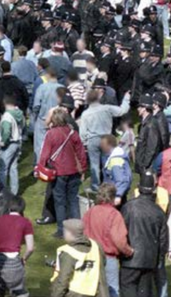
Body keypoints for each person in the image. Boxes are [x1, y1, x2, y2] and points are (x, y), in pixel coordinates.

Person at [36, 108, 88, 238]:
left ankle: (61, 230)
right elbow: (81, 153)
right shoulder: (73, 133)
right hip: (74, 171)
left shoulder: (51, 134)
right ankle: (77, 229)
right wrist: (83, 168)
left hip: (58, 172)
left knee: (60, 202)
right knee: (73, 200)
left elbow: (45, 154)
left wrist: (39, 168)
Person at [120, 171, 168, 297]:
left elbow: (120, 233)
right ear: (154, 189)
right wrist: (159, 259)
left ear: (138, 187)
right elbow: (163, 241)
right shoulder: (158, 211)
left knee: (128, 288)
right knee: (145, 291)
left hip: (130, 258)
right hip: (149, 259)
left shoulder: (128, 207)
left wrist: (123, 252)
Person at [83, 183, 134, 297]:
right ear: (113, 197)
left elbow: (83, 231)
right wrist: (128, 251)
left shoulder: (91, 211)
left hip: (91, 255)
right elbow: (119, 240)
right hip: (108, 258)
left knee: (92, 288)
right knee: (112, 290)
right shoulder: (114, 214)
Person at [79, 90, 131, 191]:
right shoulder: (107, 108)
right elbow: (122, 110)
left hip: (93, 140)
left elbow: (83, 132)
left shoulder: (85, 114)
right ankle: (108, 185)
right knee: (108, 163)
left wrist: (84, 142)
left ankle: (95, 187)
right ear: (98, 98)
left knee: (94, 165)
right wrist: (126, 98)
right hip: (106, 138)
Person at [0, 196, 35, 297]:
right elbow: (30, 248)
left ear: (9, 207)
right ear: (22, 208)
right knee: (19, 291)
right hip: (12, 262)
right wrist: (24, 259)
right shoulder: (25, 222)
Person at [50, 219, 109, 297]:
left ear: (70, 233)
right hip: (95, 292)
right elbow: (103, 263)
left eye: (64, 231)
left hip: (74, 293)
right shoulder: (96, 246)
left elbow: (63, 281)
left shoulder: (68, 252)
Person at [0, 95, 25, 195]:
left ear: (5, 104)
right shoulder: (20, 114)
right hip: (18, 142)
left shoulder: (7, 116)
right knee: (13, 168)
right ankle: (14, 192)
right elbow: (23, 126)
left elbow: (6, 131)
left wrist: (3, 142)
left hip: (9, 144)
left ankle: (2, 192)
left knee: (3, 168)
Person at [100, 135, 132, 207]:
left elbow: (121, 179)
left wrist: (118, 195)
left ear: (109, 145)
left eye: (102, 144)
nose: (101, 146)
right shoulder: (113, 156)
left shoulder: (115, 160)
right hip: (115, 193)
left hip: (114, 195)